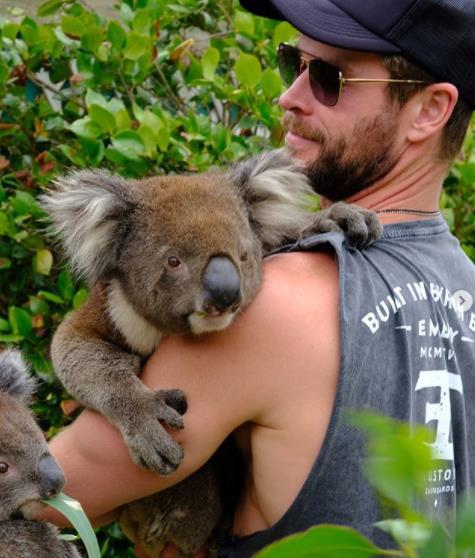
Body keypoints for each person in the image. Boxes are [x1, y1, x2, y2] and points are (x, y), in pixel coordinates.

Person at [45, 1, 475, 556]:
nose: (289, 97)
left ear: (428, 110)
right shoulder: (465, 286)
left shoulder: (274, 307)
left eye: (329, 78)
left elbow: (48, 494)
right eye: (291, 62)